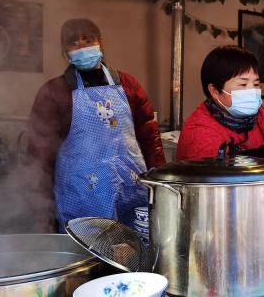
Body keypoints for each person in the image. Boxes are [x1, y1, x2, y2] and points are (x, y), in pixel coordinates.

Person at [28, 19, 165, 232]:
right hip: (81, 193)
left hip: (131, 187)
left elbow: (148, 133)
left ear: (100, 42)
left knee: (133, 250)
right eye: (74, 43)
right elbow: (39, 154)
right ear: (65, 50)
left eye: (88, 40)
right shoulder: (55, 92)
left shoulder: (128, 85)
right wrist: (41, 208)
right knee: (88, 255)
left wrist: (160, 179)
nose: (83, 47)